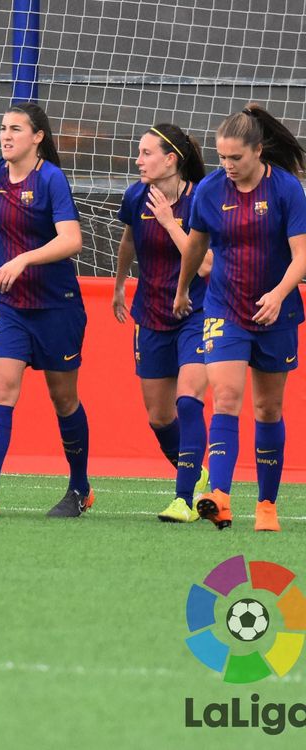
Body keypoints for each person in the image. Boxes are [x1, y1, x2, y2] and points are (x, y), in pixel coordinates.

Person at [174, 104, 306, 533]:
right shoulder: (210, 191)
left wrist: (279, 293)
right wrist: (181, 289)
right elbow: (195, 247)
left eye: (236, 158)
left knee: (268, 409)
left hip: (277, 310)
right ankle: (221, 496)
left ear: (258, 151)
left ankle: (266, 505)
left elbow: (302, 256)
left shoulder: (286, 190)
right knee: (226, 398)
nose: (227, 166)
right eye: (222, 157)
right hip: (225, 308)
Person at [0, 102, 92, 518]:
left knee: (63, 397)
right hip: (7, 303)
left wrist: (22, 259)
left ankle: (79, 488)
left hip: (56, 304)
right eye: (2, 128)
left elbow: (71, 240)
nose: (6, 135)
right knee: (1, 387)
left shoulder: (51, 178)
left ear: (38, 137)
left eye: (16, 128)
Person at [112, 124, 212, 523]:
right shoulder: (136, 195)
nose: (138, 160)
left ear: (171, 160)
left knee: (188, 400)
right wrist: (120, 284)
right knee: (159, 416)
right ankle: (194, 469)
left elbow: (205, 265)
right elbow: (129, 240)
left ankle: (184, 499)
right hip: (151, 314)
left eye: (146, 152)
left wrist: (170, 221)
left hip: (197, 313)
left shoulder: (201, 199)